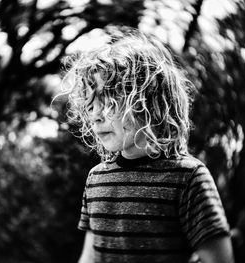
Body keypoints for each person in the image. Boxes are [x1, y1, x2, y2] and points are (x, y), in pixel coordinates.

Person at [59, 28, 234, 263]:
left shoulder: (188, 177)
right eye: (91, 105)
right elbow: (90, 258)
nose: (96, 116)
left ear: (148, 102)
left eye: (109, 101)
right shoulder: (96, 179)